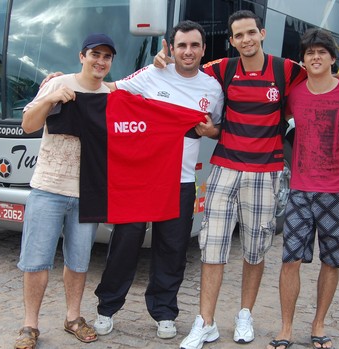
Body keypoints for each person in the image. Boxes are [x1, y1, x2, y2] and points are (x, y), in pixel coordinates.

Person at [153, 10, 339, 349]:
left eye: (251, 32)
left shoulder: (287, 71)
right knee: (212, 248)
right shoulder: (222, 69)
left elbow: (321, 78)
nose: (246, 39)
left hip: (266, 173)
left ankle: (245, 314)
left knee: (254, 250)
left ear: (262, 33)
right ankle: (205, 322)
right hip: (224, 168)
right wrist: (162, 60)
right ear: (232, 40)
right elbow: (185, 72)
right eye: (239, 35)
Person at [89, 21, 224, 340]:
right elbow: (112, 91)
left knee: (173, 248)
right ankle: (106, 308)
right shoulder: (152, 75)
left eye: (194, 46)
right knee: (125, 241)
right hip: (142, 179)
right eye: (182, 46)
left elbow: (217, 127)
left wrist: (210, 132)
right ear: (171, 48)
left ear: (204, 50)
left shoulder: (212, 89)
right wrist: (67, 82)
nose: (188, 51)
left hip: (182, 181)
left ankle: (164, 312)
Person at [266, 28, 339, 349]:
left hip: (338, 191)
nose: (315, 57)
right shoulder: (295, 94)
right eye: (310, 53)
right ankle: (285, 327)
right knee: (290, 260)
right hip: (300, 189)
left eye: (321, 52)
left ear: (333, 58)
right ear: (304, 58)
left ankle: (319, 323)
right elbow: (280, 118)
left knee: (331, 260)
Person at [13, 33, 116, 349]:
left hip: (88, 191)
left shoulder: (112, 93)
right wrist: (49, 98)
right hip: (48, 187)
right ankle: (30, 326)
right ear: (81, 56)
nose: (100, 61)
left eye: (106, 57)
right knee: (36, 261)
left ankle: (73, 318)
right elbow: (28, 124)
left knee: (79, 261)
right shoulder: (57, 84)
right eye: (94, 54)